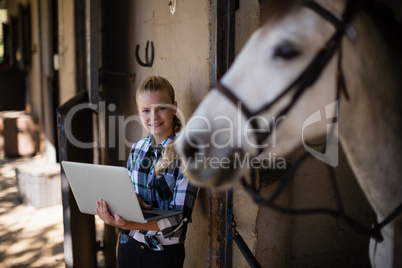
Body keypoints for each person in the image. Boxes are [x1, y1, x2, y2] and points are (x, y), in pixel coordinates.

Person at [96, 76, 199, 268]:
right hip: (129, 246)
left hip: (163, 254)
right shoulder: (137, 148)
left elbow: (179, 218)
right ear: (139, 113)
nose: (153, 117)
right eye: (145, 111)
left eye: (161, 108)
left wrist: (128, 224)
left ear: (174, 107)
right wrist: (127, 200)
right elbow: (126, 193)